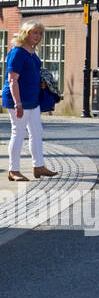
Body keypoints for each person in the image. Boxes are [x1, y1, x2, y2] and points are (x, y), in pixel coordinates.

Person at [3, 22, 57, 182]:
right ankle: (13, 170)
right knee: (18, 133)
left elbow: (32, 72)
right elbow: (12, 80)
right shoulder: (18, 52)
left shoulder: (32, 52)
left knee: (37, 131)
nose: (38, 36)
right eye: (34, 33)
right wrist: (17, 103)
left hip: (33, 99)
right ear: (25, 33)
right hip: (18, 99)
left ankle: (38, 166)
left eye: (40, 33)